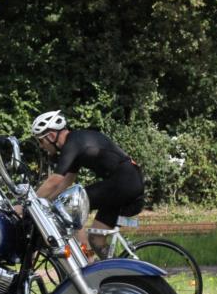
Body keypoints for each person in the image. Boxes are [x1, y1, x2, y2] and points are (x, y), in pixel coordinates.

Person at [30, 110, 144, 259]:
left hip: (125, 181)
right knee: (96, 239)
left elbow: (55, 180)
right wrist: (45, 201)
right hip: (125, 183)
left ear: (51, 136)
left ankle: (86, 263)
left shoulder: (73, 142)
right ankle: (117, 273)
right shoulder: (76, 145)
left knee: (71, 205)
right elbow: (66, 181)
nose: (41, 146)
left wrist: (31, 201)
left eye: (41, 140)